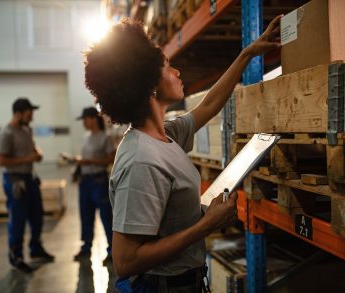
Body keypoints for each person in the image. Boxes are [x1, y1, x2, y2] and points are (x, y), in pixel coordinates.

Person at [83, 15, 282, 292]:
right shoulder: (142, 159)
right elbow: (126, 260)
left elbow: (210, 104)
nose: (177, 72)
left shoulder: (166, 135)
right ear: (149, 83)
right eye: (168, 67)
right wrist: (206, 225)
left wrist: (249, 52)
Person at [0, 97, 54, 273]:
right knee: (18, 220)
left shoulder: (26, 130)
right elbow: (1, 160)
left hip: (30, 178)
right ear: (18, 113)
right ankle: (16, 257)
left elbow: (34, 148)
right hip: (15, 180)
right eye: (29, 113)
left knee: (37, 216)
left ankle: (36, 249)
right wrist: (28, 158)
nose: (32, 117)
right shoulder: (6, 133)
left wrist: (38, 153)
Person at [73, 106, 114, 264]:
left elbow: (110, 160)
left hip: (99, 180)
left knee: (106, 216)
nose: (83, 123)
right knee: (86, 215)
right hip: (85, 181)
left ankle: (112, 249)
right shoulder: (86, 137)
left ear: (93, 119)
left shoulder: (105, 137)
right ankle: (86, 248)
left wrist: (90, 162)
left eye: (85, 119)